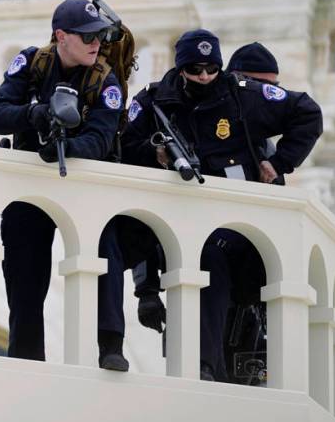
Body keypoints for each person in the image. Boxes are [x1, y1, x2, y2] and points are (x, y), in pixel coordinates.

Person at [119, 28, 322, 380]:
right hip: (189, 232)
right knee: (204, 269)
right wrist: (146, 289)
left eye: (211, 69)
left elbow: (307, 112)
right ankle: (205, 370)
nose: (203, 77)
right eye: (195, 70)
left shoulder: (243, 99)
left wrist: (280, 163)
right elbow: (124, 160)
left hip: (247, 235)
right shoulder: (156, 101)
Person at [0, 0, 124, 362]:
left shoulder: (105, 80)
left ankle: (111, 346)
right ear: (61, 36)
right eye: (86, 36)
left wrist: (67, 146)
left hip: (82, 181)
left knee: (103, 250)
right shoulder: (32, 63)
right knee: (23, 272)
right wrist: (37, 115)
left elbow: (101, 139)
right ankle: (27, 356)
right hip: (29, 182)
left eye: (99, 36)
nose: (96, 44)